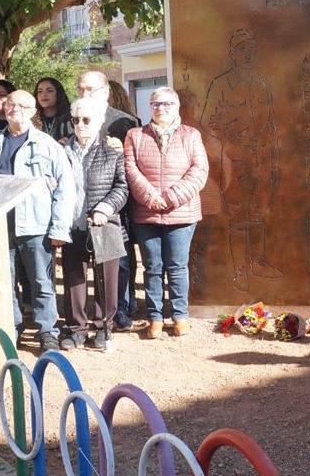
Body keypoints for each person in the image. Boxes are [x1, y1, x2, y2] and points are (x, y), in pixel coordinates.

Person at [0, 90, 73, 352]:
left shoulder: (48, 145)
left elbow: (66, 188)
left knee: (41, 282)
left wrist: (59, 227)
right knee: (4, 281)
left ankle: (47, 331)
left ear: (32, 111)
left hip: (36, 225)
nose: (13, 108)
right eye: (10, 104)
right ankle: (10, 329)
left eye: (21, 105)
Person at [201, 29, 282, 291]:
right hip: (234, 163)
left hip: (260, 161)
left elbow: (270, 123)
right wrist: (231, 144)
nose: (247, 54)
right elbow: (208, 125)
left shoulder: (261, 84)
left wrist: (270, 154)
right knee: (238, 216)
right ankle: (240, 270)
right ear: (232, 54)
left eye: (251, 49)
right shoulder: (220, 85)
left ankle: (258, 261)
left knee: (259, 213)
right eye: (242, 49)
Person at [124, 87, 208, 339]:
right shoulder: (135, 135)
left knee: (177, 266)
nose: (161, 108)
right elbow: (130, 168)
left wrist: (170, 198)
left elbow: (199, 170)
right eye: (155, 104)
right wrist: (151, 198)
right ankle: (155, 317)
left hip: (181, 212)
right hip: (146, 213)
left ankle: (180, 315)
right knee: (151, 267)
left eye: (167, 104)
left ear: (177, 106)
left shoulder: (191, 135)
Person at [58, 98, 128, 351]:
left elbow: (122, 186)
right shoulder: (61, 151)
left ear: (99, 121)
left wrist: (105, 208)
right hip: (72, 225)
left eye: (86, 119)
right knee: (74, 278)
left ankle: (103, 327)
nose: (80, 125)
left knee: (107, 280)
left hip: (104, 224)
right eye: (75, 120)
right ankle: (76, 328)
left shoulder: (112, 151)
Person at [76, 70, 142, 329]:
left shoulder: (124, 121)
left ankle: (121, 307)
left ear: (105, 92)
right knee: (82, 263)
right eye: (81, 89)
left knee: (119, 259)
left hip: (116, 202)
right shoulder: (67, 119)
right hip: (81, 205)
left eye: (90, 89)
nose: (84, 94)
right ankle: (87, 314)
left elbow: (134, 161)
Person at [34, 78, 73, 142]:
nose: (43, 95)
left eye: (49, 91)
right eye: (40, 91)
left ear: (58, 93)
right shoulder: (31, 118)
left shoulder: (70, 118)